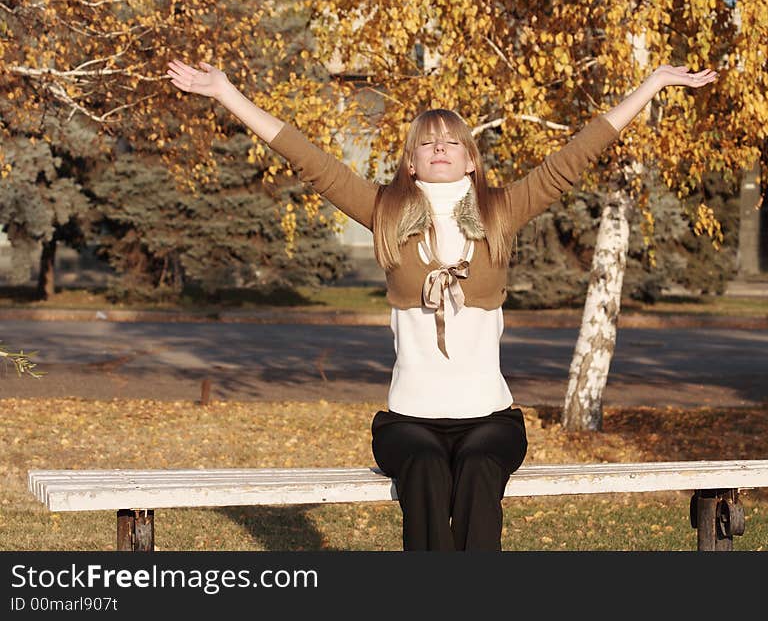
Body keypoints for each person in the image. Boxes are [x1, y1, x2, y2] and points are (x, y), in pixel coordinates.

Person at [166, 58, 717, 551]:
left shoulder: (500, 212)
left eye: (451, 141)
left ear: (471, 160)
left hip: (490, 419)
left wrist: (653, 83)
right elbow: (314, 163)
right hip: (410, 421)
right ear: (410, 163)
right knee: (426, 469)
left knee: (479, 468)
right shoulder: (385, 212)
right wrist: (226, 94)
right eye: (426, 143)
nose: (438, 149)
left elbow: (573, 157)